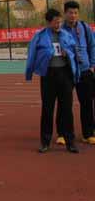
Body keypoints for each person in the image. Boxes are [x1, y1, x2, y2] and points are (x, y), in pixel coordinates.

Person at [26, 9, 79, 154]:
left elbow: (74, 52)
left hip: (64, 74)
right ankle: (45, 142)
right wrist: (29, 72)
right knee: (47, 109)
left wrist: (67, 54)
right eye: (56, 22)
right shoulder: (40, 36)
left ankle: (70, 142)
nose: (58, 24)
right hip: (48, 75)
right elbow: (32, 54)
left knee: (67, 109)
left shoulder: (66, 35)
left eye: (60, 22)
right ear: (48, 22)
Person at [56, 1, 95, 145]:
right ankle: (63, 134)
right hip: (67, 71)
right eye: (70, 12)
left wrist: (92, 65)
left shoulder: (84, 27)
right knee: (64, 103)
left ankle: (88, 134)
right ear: (65, 13)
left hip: (84, 70)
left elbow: (92, 46)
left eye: (75, 13)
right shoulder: (59, 29)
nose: (73, 15)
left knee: (87, 103)